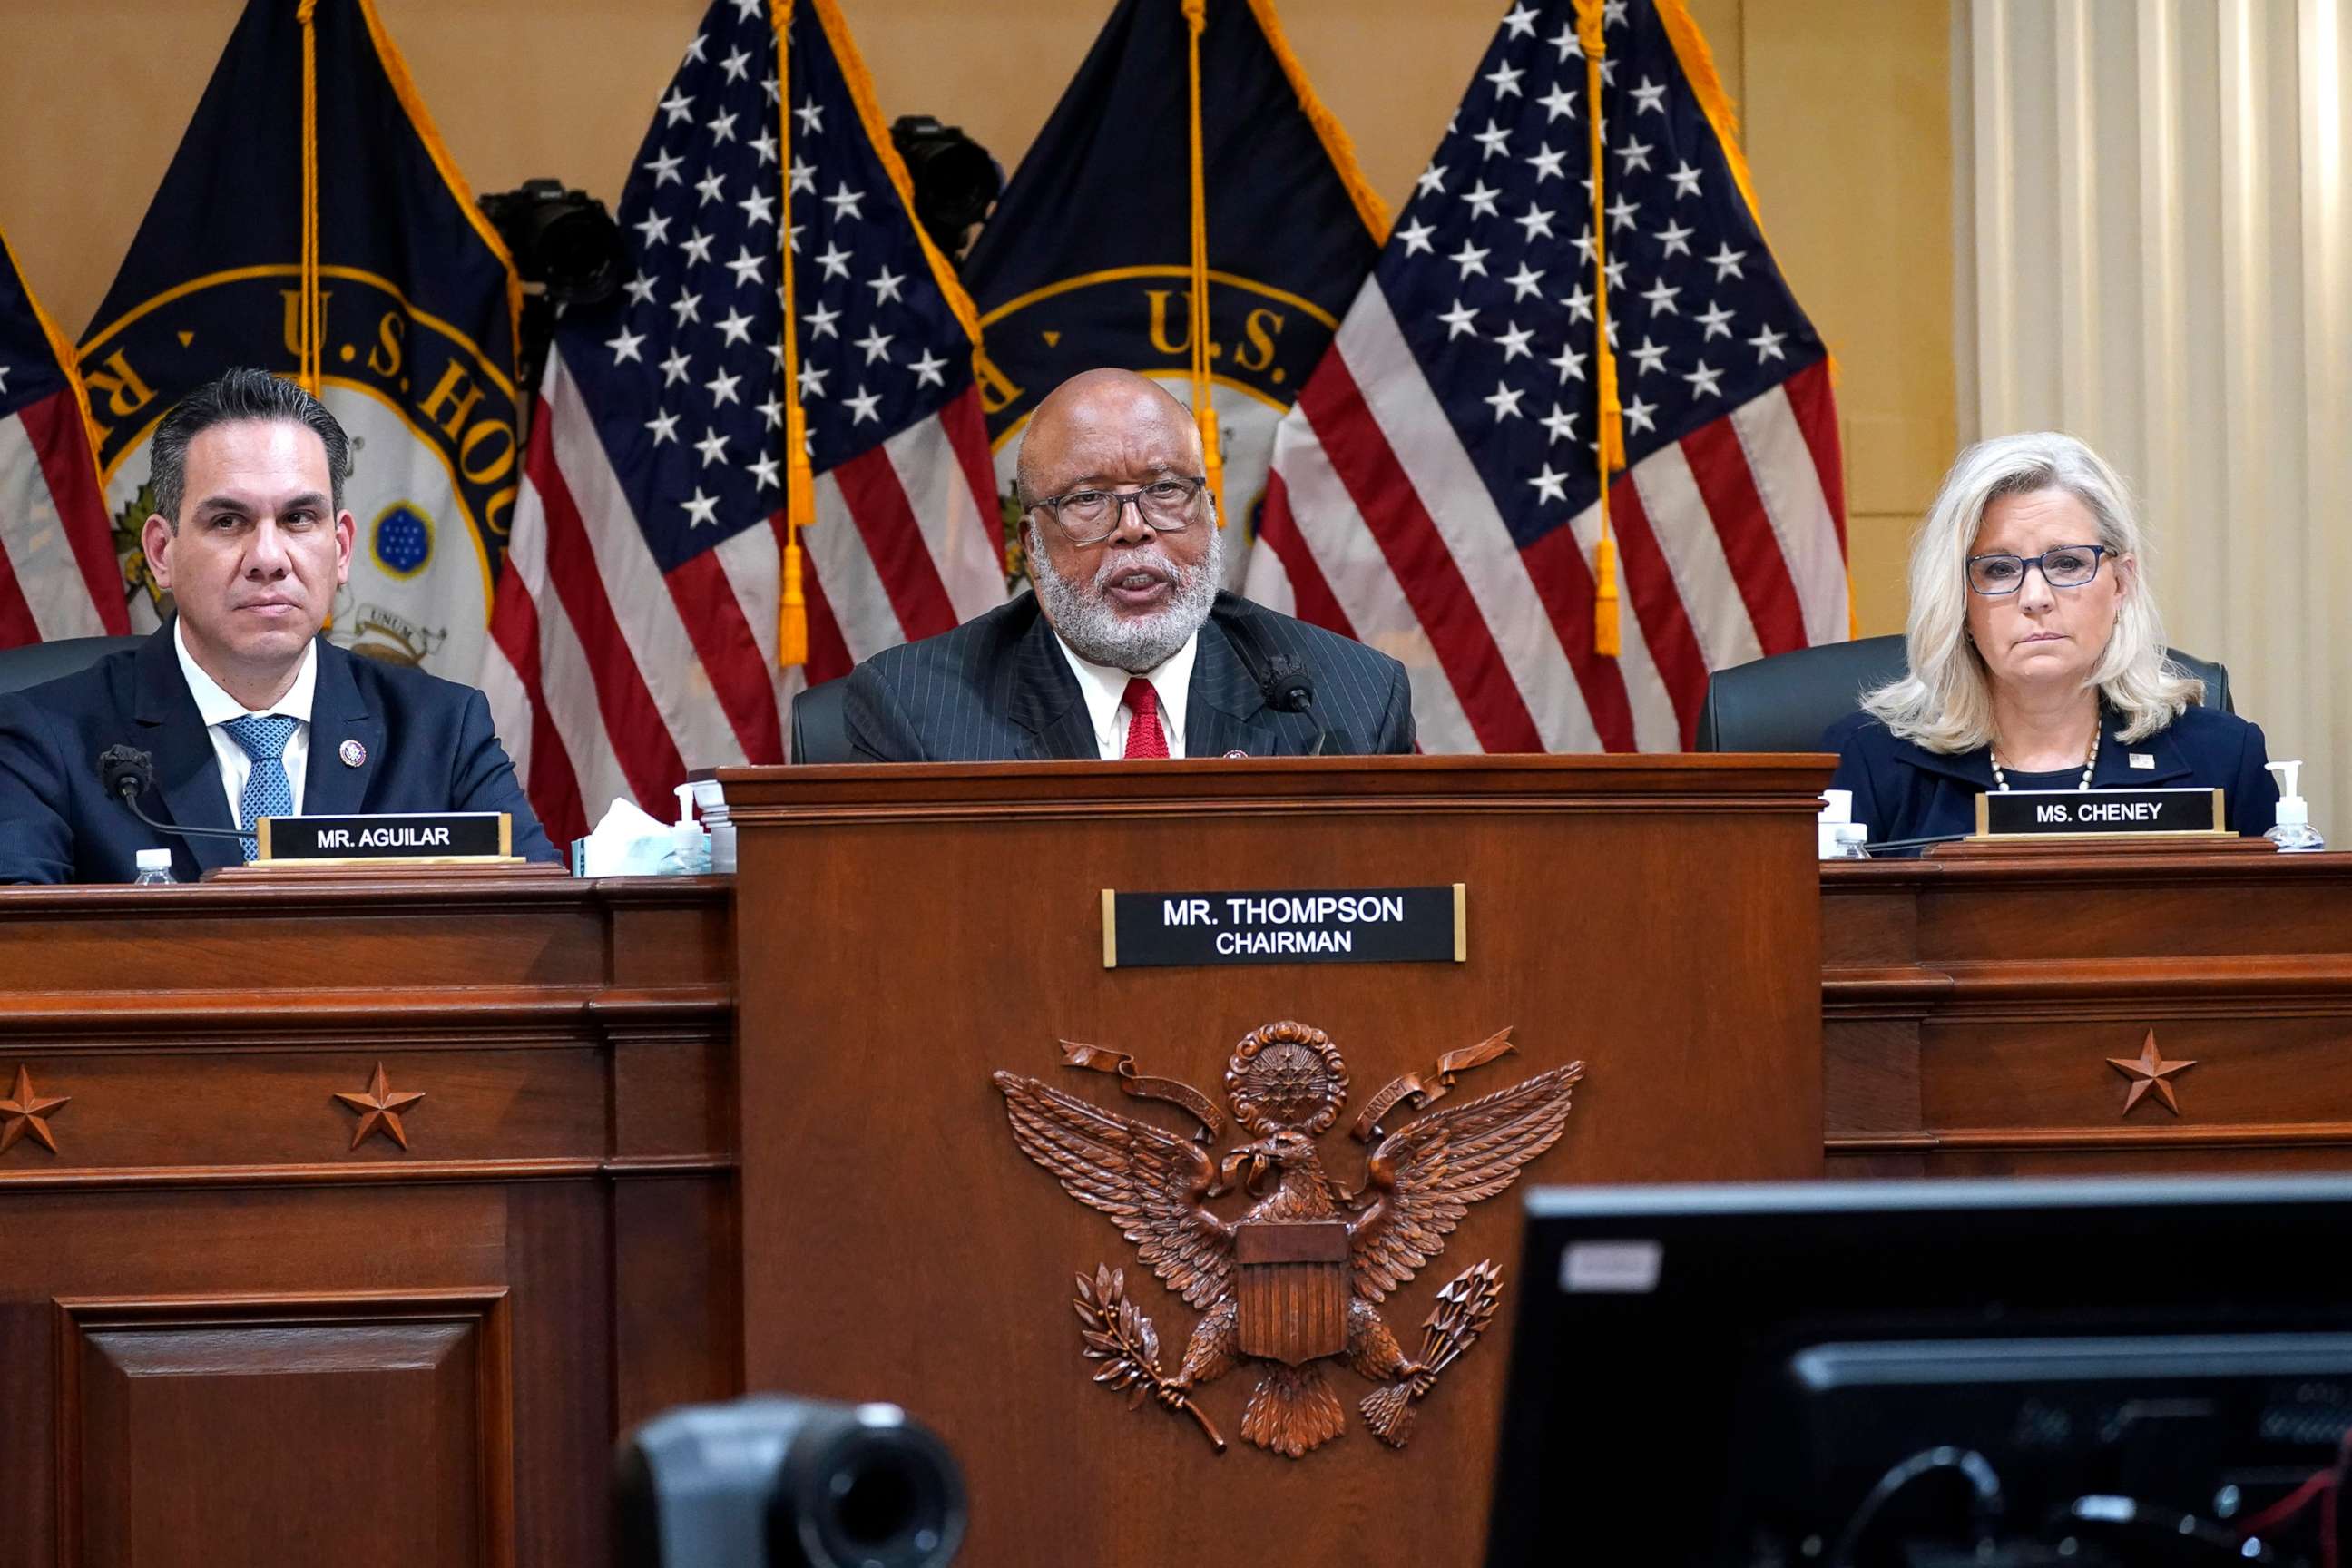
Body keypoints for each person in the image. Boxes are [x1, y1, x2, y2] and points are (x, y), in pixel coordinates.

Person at [0, 368, 556, 883]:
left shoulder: (442, 733)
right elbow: (23, 962)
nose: (269, 556)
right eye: (227, 521)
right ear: (161, 552)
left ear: (340, 549)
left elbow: (541, 938)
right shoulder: (44, 740)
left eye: (298, 519)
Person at [841, 368, 1416, 760]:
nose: (1135, 528)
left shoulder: (1349, 700)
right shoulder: (917, 713)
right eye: (1087, 500)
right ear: (1032, 546)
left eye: (1166, 490)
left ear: (1210, 513)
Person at [1827, 431, 2278, 851]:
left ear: (2121, 583)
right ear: (1958, 599)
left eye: (2067, 563)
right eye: (1999, 569)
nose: (2035, 598)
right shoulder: (1866, 759)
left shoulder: (2223, 759)